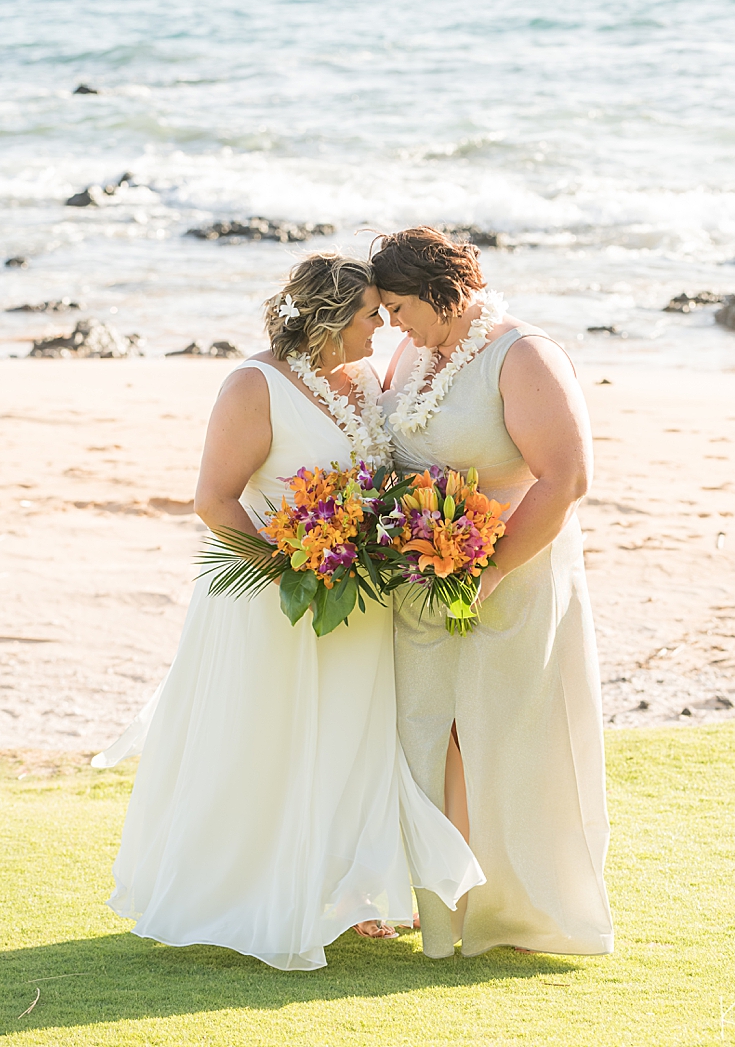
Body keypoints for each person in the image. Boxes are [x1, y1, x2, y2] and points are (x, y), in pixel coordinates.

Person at [93, 253, 484, 971]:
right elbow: (215, 499)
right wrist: (291, 568)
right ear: (335, 318)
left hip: (353, 602)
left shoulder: (364, 380)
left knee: (350, 741)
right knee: (268, 741)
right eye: (374, 313)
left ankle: (353, 893)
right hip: (273, 598)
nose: (386, 325)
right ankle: (254, 894)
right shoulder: (253, 385)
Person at [373, 226, 613, 960]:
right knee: (420, 734)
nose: (389, 324)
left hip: (509, 581)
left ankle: (504, 910)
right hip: (419, 586)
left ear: (441, 293)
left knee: (494, 739)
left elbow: (567, 478)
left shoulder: (524, 355)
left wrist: (489, 570)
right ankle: (434, 906)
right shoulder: (413, 353)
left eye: (398, 306)